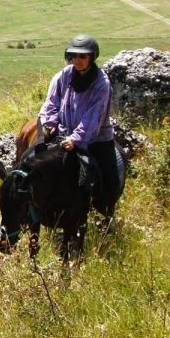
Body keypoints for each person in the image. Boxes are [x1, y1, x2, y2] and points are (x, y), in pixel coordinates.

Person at [37, 34, 121, 230]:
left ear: (92, 57)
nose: (78, 60)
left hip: (96, 140)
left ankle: (106, 216)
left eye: (82, 57)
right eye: (74, 56)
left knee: (110, 181)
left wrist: (76, 139)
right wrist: (49, 124)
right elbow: (51, 102)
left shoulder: (102, 83)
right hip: (62, 132)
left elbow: (94, 116)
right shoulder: (63, 75)